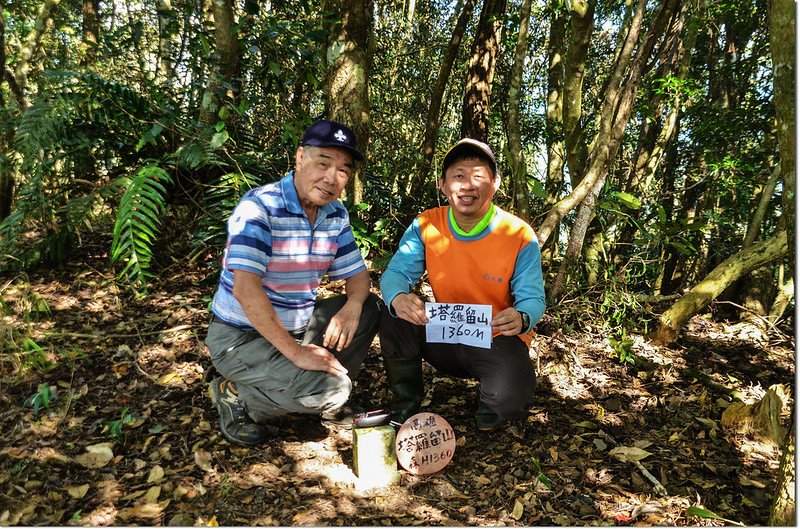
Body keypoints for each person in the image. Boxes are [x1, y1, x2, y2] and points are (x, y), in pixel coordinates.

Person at [205, 119, 382, 446]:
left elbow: (358, 277)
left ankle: (304, 389)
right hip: (241, 337)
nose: (332, 177)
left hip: (297, 327)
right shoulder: (260, 206)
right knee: (335, 391)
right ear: (300, 157)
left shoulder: (335, 214)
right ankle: (237, 393)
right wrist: (297, 354)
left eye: (343, 170)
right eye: (323, 163)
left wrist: (353, 306)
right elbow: (246, 288)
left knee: (370, 307)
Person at [379, 138, 546, 430]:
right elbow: (395, 274)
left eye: (478, 176)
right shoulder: (427, 224)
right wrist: (398, 298)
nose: (468, 185)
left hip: (495, 336)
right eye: (458, 176)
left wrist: (522, 317)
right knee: (395, 312)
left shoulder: (518, 233)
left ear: (494, 184)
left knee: (508, 403)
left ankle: (491, 404)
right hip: (444, 331)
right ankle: (405, 404)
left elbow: (533, 298)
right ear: (443, 184)